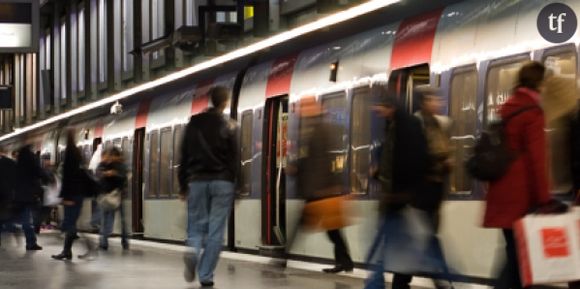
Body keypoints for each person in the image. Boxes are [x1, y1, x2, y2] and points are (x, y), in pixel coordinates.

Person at [484, 62, 555, 289]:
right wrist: (544, 200)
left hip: (501, 194)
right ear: (540, 83)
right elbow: (537, 161)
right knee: (518, 260)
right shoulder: (532, 112)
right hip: (521, 197)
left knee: (515, 255)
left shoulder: (507, 108)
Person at [384, 86, 454, 289]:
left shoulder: (439, 125)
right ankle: (440, 283)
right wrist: (440, 161)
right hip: (419, 194)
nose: (437, 103)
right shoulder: (415, 125)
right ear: (422, 102)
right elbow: (416, 158)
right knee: (425, 240)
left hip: (434, 193)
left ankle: (403, 283)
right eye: (431, 99)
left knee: (422, 241)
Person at [364, 93, 429, 289]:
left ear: (390, 106)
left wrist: (402, 192)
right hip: (396, 197)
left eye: (380, 106)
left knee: (388, 248)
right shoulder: (393, 126)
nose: (377, 111)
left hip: (401, 198)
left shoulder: (405, 127)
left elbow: (408, 162)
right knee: (391, 247)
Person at [284, 96, 354, 274]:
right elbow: (310, 159)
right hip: (319, 187)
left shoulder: (321, 129)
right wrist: (297, 168)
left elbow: (327, 159)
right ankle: (345, 261)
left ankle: (282, 257)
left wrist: (331, 185)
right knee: (332, 229)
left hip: (320, 188)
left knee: (305, 224)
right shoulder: (313, 129)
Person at [179, 86, 239, 287]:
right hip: (223, 182)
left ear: (211, 100)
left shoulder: (193, 123)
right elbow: (234, 158)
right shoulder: (228, 125)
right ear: (224, 102)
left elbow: (184, 155)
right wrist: (238, 186)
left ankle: (193, 251)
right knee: (216, 231)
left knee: (196, 226)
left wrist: (182, 185)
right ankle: (205, 275)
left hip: (196, 181)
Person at [52, 130, 97, 260]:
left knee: (70, 224)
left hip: (72, 195)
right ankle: (66, 251)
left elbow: (68, 178)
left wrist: (66, 197)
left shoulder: (69, 155)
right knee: (71, 224)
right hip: (78, 194)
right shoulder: (77, 153)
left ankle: (89, 247)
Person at [13, 145, 45, 251]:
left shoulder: (19, 161)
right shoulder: (30, 157)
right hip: (26, 195)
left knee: (25, 218)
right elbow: (38, 172)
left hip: (19, 195)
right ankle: (31, 242)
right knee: (27, 220)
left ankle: (31, 241)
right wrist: (49, 179)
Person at [96, 146, 129, 250]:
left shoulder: (121, 166)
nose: (111, 158)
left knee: (114, 220)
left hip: (117, 195)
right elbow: (99, 175)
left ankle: (120, 241)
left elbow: (123, 179)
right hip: (109, 196)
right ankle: (104, 241)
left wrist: (114, 175)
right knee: (110, 219)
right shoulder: (107, 165)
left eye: (112, 156)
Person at [0, 147, 18, 247]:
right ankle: (12, 228)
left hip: (5, 194)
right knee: (6, 214)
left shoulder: (9, 163)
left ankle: (11, 227)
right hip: (8, 193)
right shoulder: (11, 163)